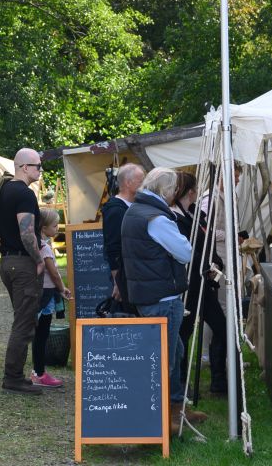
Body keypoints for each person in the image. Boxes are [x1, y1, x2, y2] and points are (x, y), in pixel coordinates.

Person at [123, 167, 206, 433]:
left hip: (148, 295)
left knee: (176, 351)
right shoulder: (156, 218)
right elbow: (185, 252)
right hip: (162, 297)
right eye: (173, 189)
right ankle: (164, 416)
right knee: (166, 359)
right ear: (167, 190)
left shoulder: (134, 211)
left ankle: (176, 406)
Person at [170, 170, 229, 396]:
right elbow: (186, 251)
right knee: (184, 336)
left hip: (206, 285)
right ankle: (182, 388)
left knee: (223, 330)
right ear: (190, 191)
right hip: (189, 287)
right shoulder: (175, 218)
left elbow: (207, 242)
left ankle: (219, 382)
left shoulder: (195, 213)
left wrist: (216, 262)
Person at [0, 148, 47, 394]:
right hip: (23, 263)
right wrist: (39, 260)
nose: (40, 170)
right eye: (38, 166)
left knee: (23, 318)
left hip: (7, 262)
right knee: (24, 323)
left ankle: (15, 375)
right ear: (24, 167)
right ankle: (13, 377)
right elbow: (27, 233)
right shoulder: (25, 194)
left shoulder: (4, 190)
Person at [30, 208, 73, 388]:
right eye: (55, 226)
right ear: (44, 227)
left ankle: (37, 371)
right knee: (41, 335)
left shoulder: (36, 244)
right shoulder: (45, 248)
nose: (57, 229)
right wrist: (62, 288)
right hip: (45, 295)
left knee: (39, 335)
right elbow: (54, 273)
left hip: (41, 293)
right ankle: (39, 373)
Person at [102, 163, 144, 306]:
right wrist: (118, 282)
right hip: (124, 274)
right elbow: (112, 247)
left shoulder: (136, 205)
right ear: (127, 182)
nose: (144, 185)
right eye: (141, 181)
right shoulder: (115, 209)